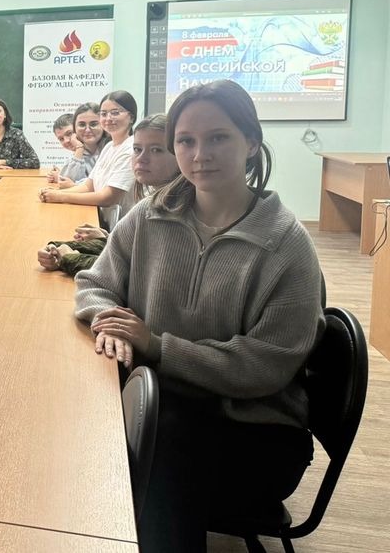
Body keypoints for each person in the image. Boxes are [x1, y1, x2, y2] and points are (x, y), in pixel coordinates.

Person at [74, 80, 323, 552]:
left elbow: (267, 365)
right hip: (163, 407)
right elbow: (94, 284)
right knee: (105, 434)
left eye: (218, 138)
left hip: (256, 432)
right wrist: (112, 324)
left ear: (251, 142)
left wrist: (157, 346)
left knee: (157, 450)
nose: (200, 154)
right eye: (186, 140)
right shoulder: (150, 215)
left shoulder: (285, 244)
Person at [38, 114, 178, 276]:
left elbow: (134, 270)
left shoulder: (172, 208)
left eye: (156, 150)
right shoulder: (150, 198)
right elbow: (129, 250)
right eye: (137, 149)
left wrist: (69, 258)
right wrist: (104, 238)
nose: (142, 158)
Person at [39, 91, 138, 229]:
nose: (108, 118)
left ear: (131, 117)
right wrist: (55, 193)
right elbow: (88, 186)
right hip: (103, 221)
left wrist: (60, 197)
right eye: (104, 114)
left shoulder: (131, 149)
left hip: (124, 229)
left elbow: (108, 197)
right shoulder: (109, 147)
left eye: (115, 113)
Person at [46, 102, 110, 188]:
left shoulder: (109, 148)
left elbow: (105, 184)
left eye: (69, 133)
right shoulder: (81, 153)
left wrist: (74, 184)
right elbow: (65, 182)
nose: (66, 140)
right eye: (61, 139)